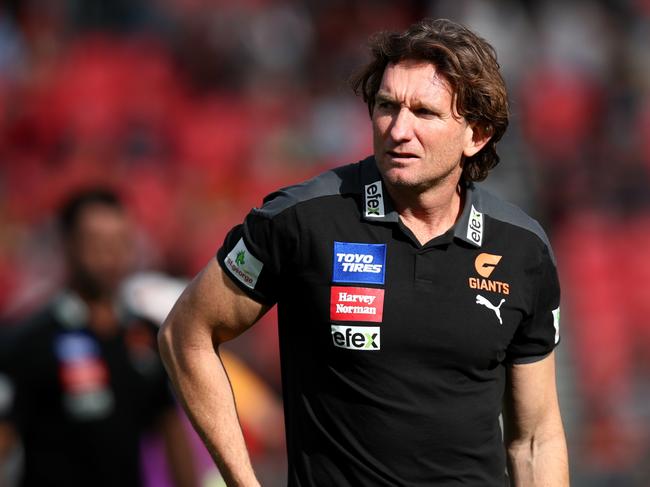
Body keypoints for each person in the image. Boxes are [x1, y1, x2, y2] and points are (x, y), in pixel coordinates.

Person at [159, 18, 569, 486]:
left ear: (476, 136)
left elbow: (535, 438)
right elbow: (184, 336)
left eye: (425, 113)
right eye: (387, 106)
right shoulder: (302, 219)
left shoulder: (522, 249)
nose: (398, 130)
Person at [0, 189, 198, 487]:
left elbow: (170, 428)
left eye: (121, 242)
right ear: (68, 245)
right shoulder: (29, 341)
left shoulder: (146, 336)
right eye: (97, 243)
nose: (111, 255)